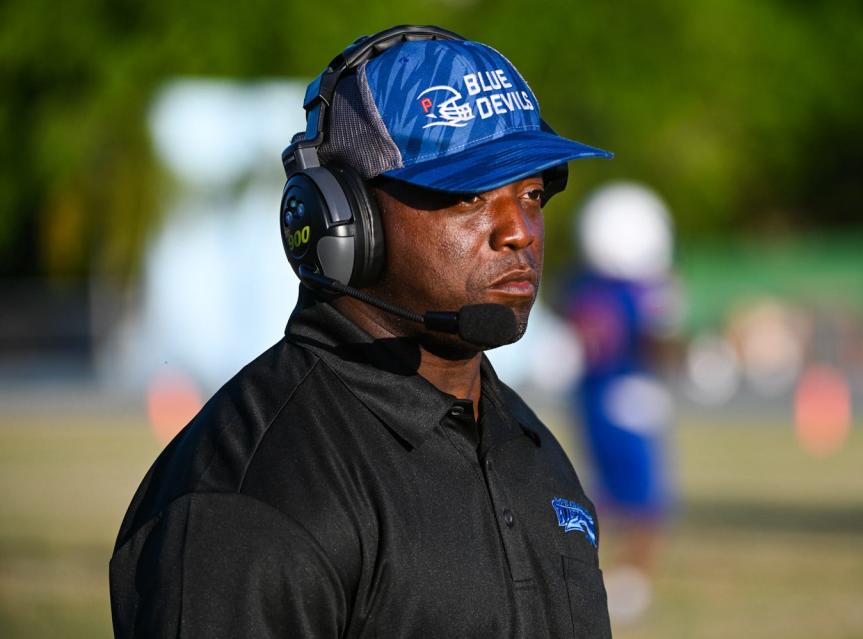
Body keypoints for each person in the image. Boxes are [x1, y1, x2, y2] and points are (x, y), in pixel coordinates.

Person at [110, 25, 613, 638]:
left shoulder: (530, 449)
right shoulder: (254, 496)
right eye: (467, 197)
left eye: (531, 193)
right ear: (344, 220)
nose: (518, 231)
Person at [564, 182, 679, 623]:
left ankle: (619, 575)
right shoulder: (641, 293)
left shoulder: (583, 285)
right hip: (627, 397)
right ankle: (631, 577)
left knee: (605, 493)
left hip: (594, 397)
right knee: (643, 498)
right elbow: (655, 344)